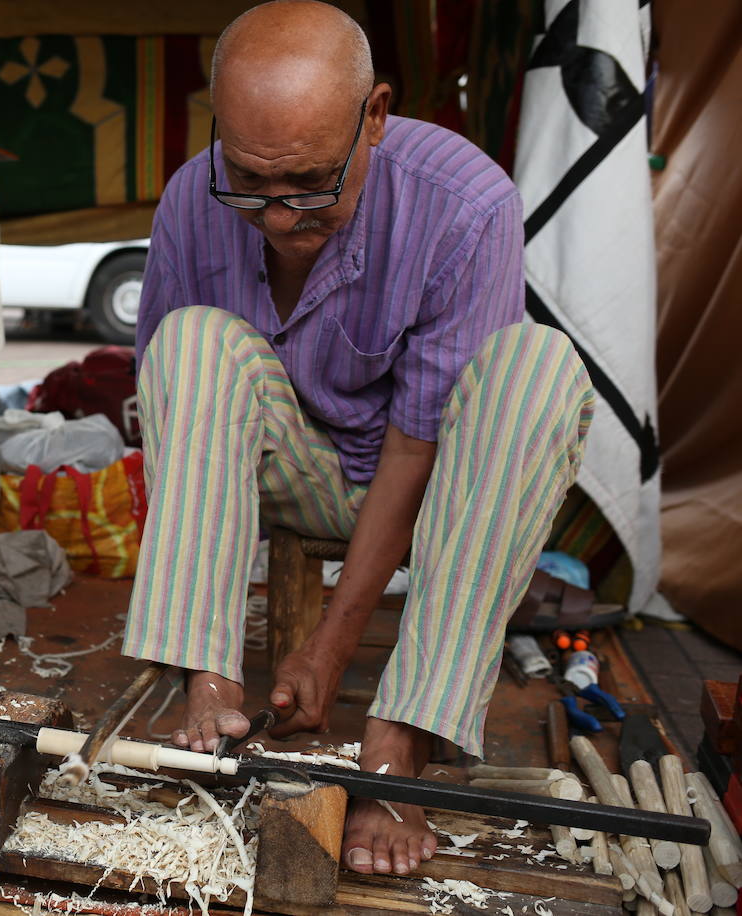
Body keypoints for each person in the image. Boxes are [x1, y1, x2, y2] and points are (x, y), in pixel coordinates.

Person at [122, 0, 595, 876]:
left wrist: (332, 647)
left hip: (436, 490)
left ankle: (399, 743)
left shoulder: (468, 203)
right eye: (248, 183)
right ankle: (211, 694)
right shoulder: (195, 194)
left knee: (538, 367)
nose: (273, 216)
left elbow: (419, 446)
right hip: (293, 469)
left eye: (306, 184)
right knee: (189, 341)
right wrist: (230, 663)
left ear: (374, 116)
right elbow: (174, 412)